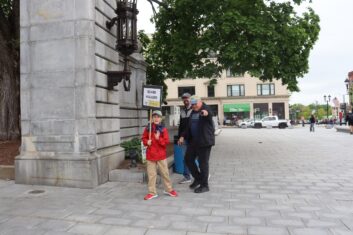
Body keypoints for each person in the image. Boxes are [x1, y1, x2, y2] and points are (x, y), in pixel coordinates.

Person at [181, 96, 215, 193]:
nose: (194, 106)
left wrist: (205, 113)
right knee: (188, 159)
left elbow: (209, 114)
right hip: (194, 142)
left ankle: (205, 185)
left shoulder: (205, 109)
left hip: (204, 142)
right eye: (193, 104)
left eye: (196, 104)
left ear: (201, 102)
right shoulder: (193, 112)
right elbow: (189, 126)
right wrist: (182, 136)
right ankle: (198, 178)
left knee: (203, 164)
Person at [142, 110, 178, 200]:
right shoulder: (148, 128)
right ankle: (152, 192)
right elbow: (143, 138)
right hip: (150, 155)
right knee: (151, 174)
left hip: (161, 155)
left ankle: (168, 189)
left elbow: (166, 142)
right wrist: (147, 142)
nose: (156, 118)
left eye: (158, 117)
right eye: (154, 117)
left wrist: (158, 139)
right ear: (152, 118)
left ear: (161, 118)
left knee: (165, 173)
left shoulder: (163, 129)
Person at [177, 93, 193, 184]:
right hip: (184, 138)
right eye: (183, 98)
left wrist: (182, 136)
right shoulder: (182, 110)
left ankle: (204, 174)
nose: (185, 100)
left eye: (187, 98)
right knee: (185, 158)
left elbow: (190, 125)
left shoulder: (194, 109)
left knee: (198, 157)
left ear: (190, 98)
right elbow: (182, 125)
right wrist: (180, 137)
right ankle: (187, 177)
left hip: (193, 137)